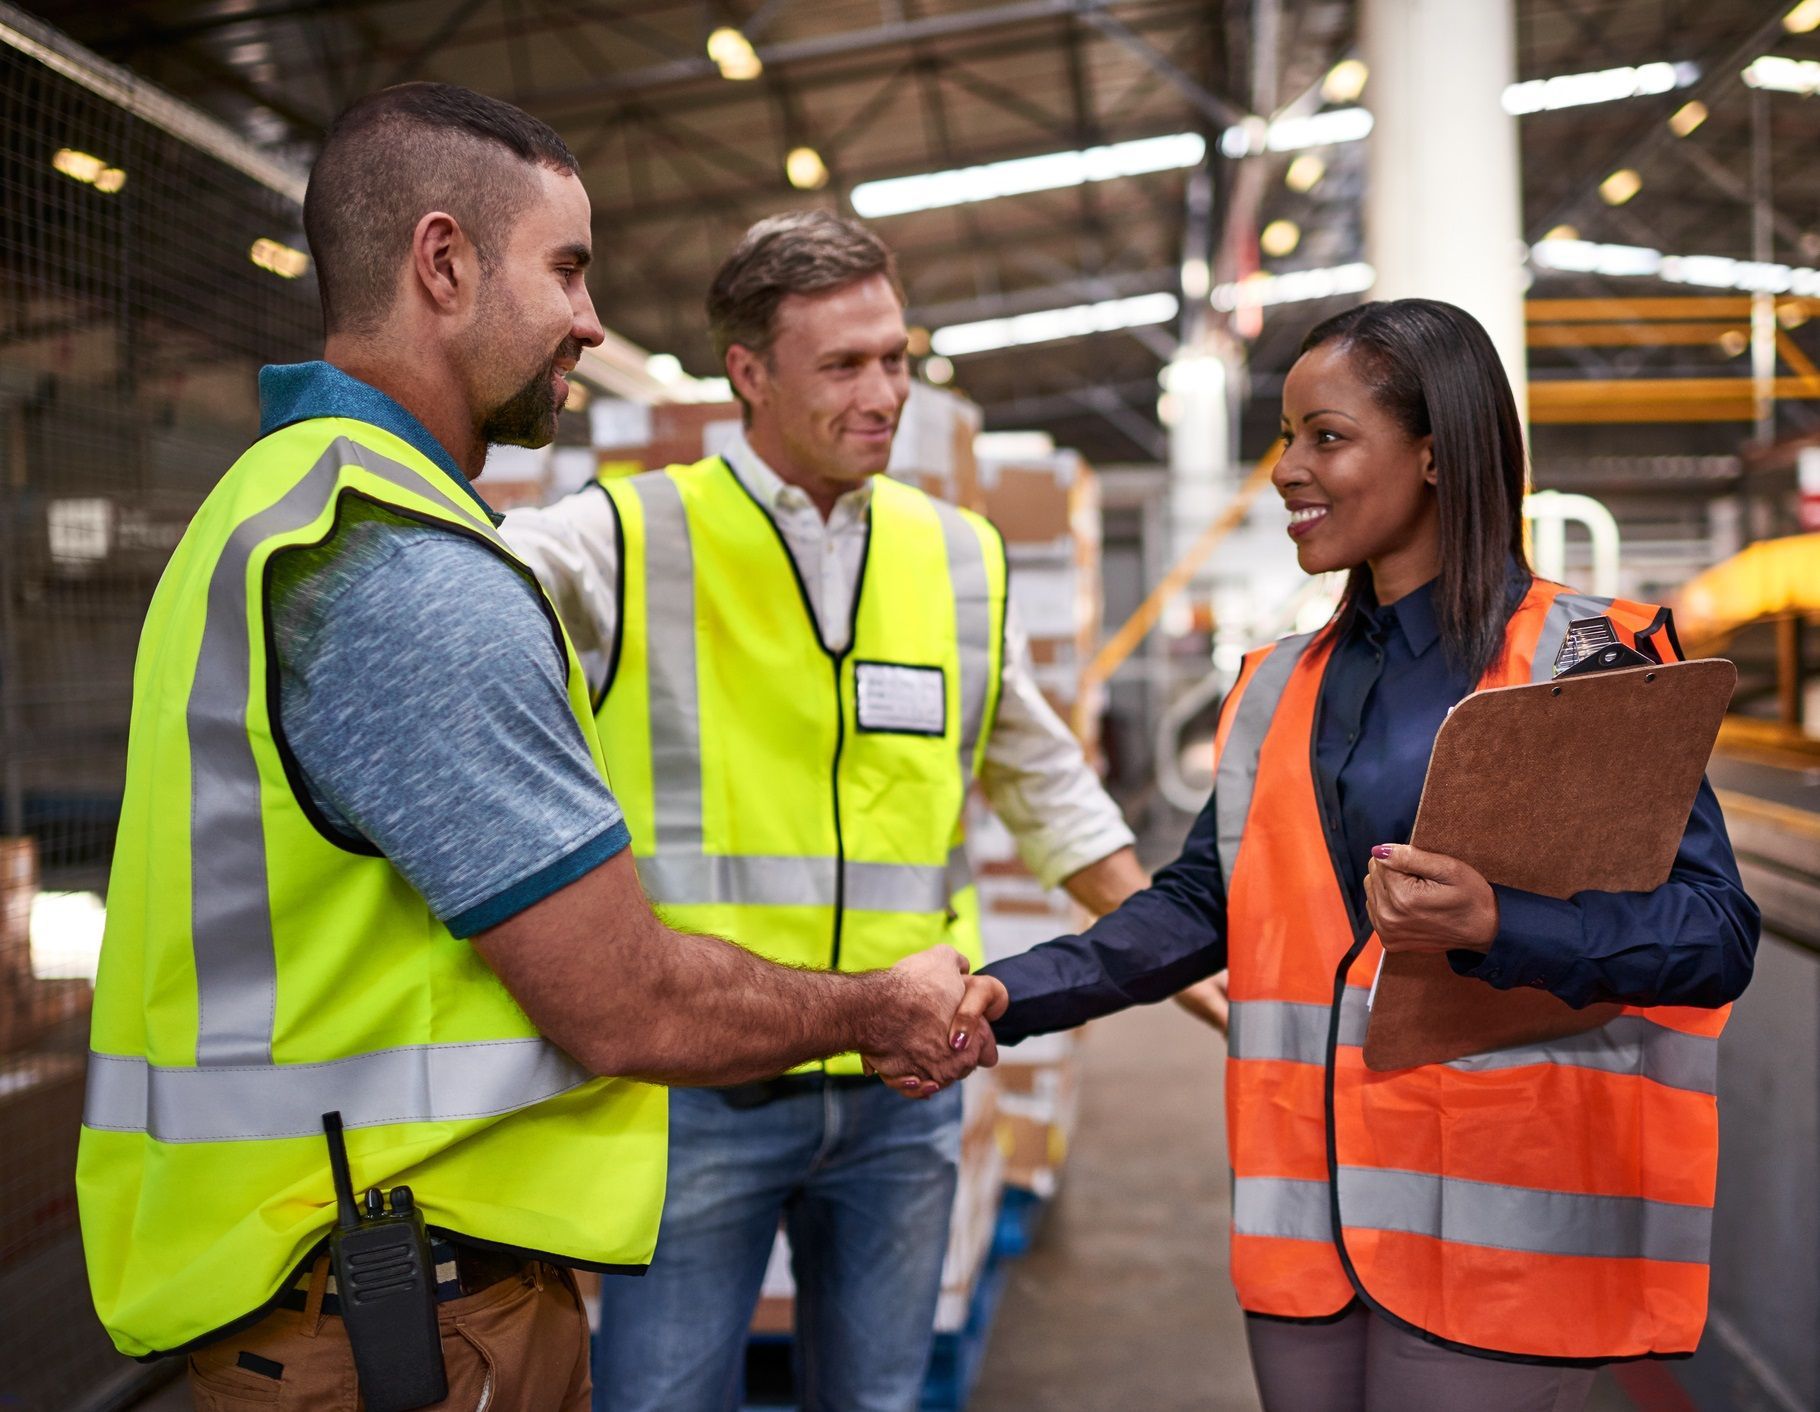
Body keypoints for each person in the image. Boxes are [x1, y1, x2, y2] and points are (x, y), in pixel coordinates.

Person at [75, 84, 996, 1411]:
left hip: (328, 1280)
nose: (592, 318)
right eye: (565, 269)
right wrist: (871, 1009)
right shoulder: (402, 576)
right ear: (442, 262)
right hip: (401, 1321)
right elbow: (629, 1001)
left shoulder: (274, 503)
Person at [952, 299, 1760, 1412]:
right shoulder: (1279, 682)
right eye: (1285, 437)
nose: (1287, 468)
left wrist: (1496, 924)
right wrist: (1005, 992)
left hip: (1499, 1239)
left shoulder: (1582, 662)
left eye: (1324, 436)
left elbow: (1711, 937)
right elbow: (1199, 902)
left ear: (1434, 454)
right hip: (1306, 1232)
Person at [500, 209, 1148, 1412]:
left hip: (903, 1083)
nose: (885, 391)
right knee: (658, 1397)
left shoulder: (955, 553)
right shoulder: (629, 534)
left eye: (895, 357)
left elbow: (1045, 782)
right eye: (843, 364)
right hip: (703, 1089)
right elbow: (458, 588)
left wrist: (1196, 963)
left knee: (878, 1400)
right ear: (747, 372)